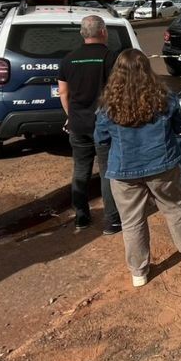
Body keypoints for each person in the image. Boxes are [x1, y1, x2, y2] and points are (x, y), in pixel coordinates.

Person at [94, 49, 181, 287]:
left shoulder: (108, 104)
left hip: (124, 171)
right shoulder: (164, 96)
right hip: (161, 164)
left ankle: (138, 272)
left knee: (132, 221)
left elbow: (100, 138)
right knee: (174, 209)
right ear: (147, 69)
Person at [58, 15, 122, 234]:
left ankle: (81, 217)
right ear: (103, 32)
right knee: (107, 172)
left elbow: (63, 92)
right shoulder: (111, 58)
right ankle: (112, 222)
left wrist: (71, 115)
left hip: (78, 125)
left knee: (81, 171)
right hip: (105, 125)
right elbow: (117, 92)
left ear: (82, 34)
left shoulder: (68, 60)